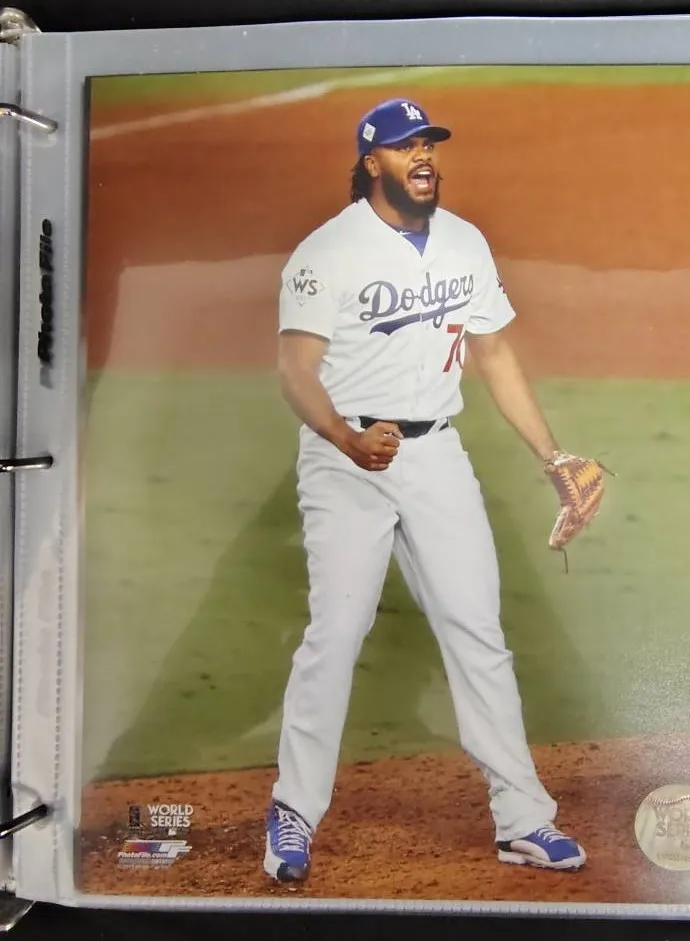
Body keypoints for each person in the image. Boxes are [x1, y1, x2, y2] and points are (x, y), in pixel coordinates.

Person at [264, 97, 586, 884]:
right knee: (337, 632)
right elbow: (295, 369)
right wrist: (345, 436)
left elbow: (495, 354)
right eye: (406, 146)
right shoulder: (327, 252)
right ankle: (293, 812)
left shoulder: (465, 242)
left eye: (429, 144)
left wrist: (554, 457)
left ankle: (523, 818)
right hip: (345, 459)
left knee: (478, 630)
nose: (424, 156)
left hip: (437, 452)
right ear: (371, 162)